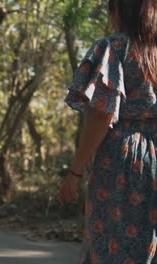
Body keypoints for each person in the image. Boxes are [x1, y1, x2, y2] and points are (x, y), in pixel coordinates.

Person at [58, 0, 157, 263]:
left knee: (114, 244)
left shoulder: (114, 47)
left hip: (124, 160)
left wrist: (75, 171)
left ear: (120, 10)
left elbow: (101, 115)